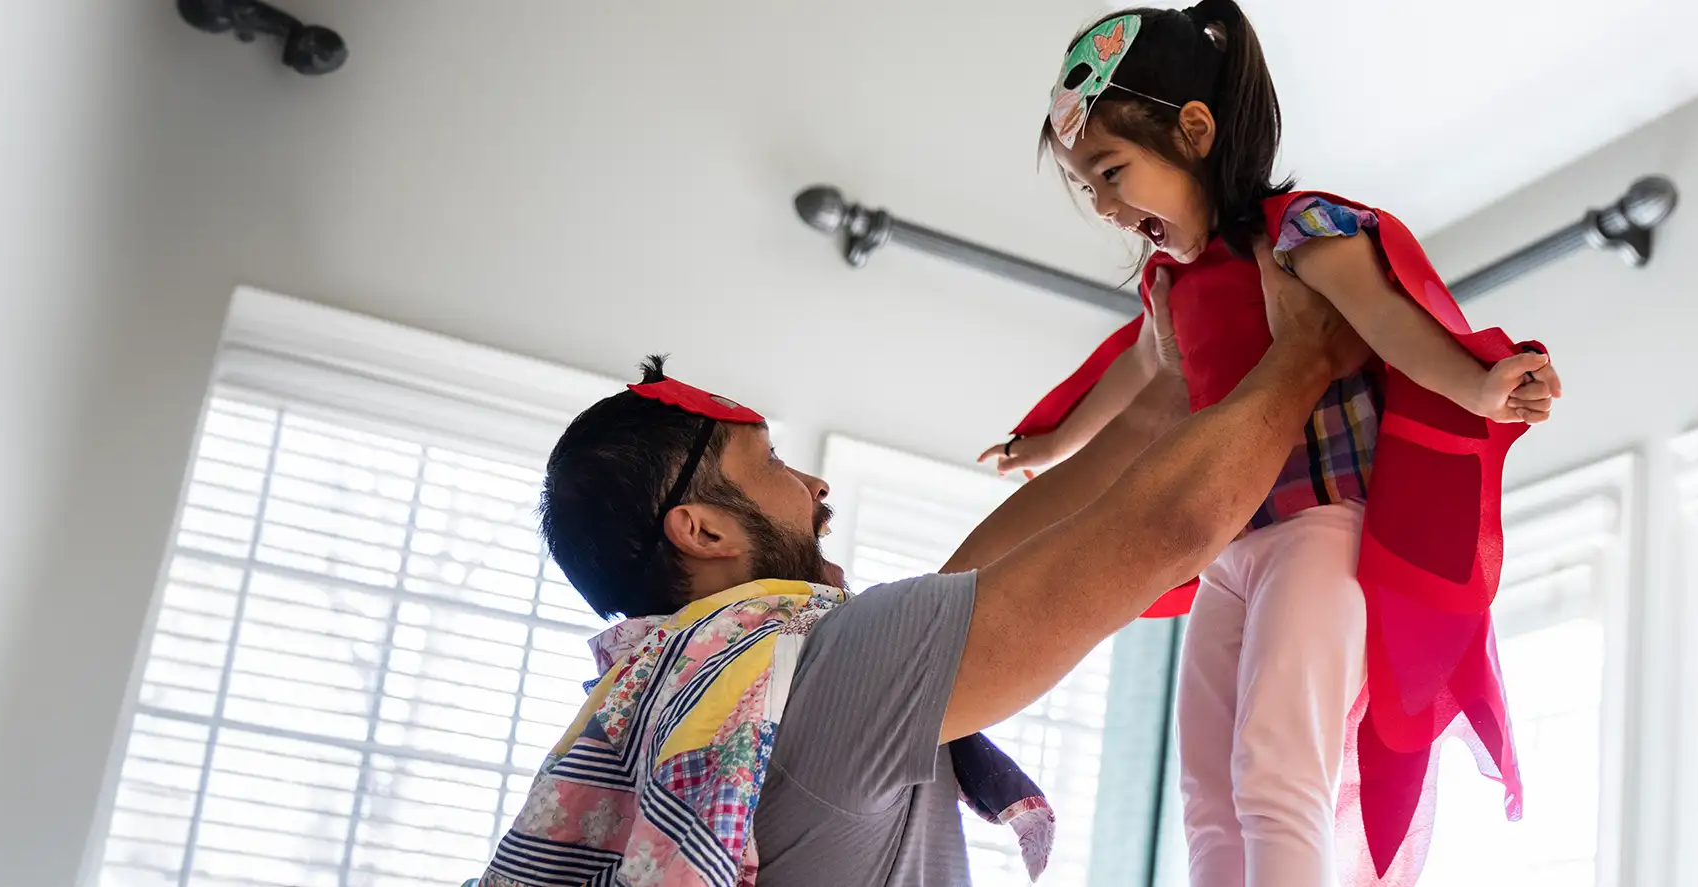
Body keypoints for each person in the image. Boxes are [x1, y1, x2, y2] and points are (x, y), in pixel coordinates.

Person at [474, 264, 1371, 887]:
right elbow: (1167, 528)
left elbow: (991, 574)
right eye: (772, 461)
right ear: (701, 528)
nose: (814, 484)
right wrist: (1305, 356)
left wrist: (1173, 390)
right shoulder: (811, 675)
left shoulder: (729, 699)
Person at [980, 4, 1564, 885]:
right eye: (1087, 186)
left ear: (1196, 131)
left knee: (1280, 769)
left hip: (1321, 530)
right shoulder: (1169, 284)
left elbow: (1391, 321)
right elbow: (1135, 377)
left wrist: (1480, 385)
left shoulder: (1300, 235)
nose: (1103, 205)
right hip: (1228, 548)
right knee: (1208, 793)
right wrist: (1054, 439)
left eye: (1111, 172)